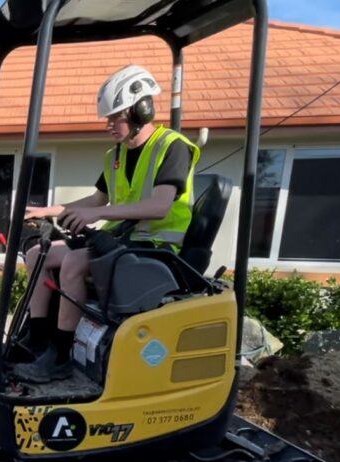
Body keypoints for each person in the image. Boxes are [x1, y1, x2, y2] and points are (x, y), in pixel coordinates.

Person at [15, 64, 201, 382]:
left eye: (116, 116)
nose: (109, 125)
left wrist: (98, 216)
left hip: (155, 246)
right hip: (123, 239)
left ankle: (59, 356)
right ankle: (36, 340)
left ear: (142, 110)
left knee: (73, 262)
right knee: (37, 255)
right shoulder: (114, 155)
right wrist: (48, 210)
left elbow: (158, 207)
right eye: (108, 118)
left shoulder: (172, 147)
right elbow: (97, 201)